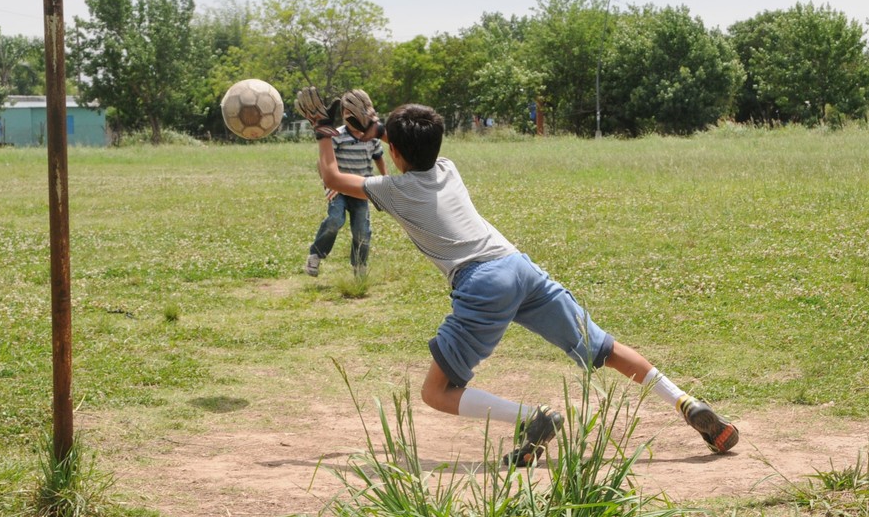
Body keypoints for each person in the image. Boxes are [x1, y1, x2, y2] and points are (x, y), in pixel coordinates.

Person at [305, 96, 739, 466]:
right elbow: (411, 144)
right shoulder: (449, 168)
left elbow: (332, 178)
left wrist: (326, 132)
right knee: (603, 348)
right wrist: (374, 128)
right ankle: (685, 402)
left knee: (436, 391)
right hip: (519, 266)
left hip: (481, 282)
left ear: (394, 151)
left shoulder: (394, 190)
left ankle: (534, 416)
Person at [304, 89, 387, 277]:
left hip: (362, 189)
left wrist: (385, 181)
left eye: (357, 113)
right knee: (335, 220)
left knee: (362, 231)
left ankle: (359, 267)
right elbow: (323, 162)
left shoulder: (372, 137)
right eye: (348, 114)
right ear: (342, 116)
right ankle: (315, 255)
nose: (353, 118)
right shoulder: (336, 135)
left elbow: (379, 158)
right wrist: (328, 186)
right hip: (339, 189)